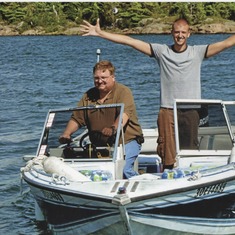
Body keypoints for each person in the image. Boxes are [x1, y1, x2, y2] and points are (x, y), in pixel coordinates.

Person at [80, 18, 235, 170]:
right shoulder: (162, 52)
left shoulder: (198, 52)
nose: (179, 35)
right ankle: (167, 174)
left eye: (183, 32)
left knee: (189, 151)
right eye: (176, 32)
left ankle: (188, 177)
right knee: (167, 152)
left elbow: (226, 43)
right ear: (171, 33)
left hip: (191, 110)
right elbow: (130, 41)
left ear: (189, 34)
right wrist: (101, 33)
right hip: (167, 110)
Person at [59, 60, 144, 179]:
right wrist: (67, 133)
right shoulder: (88, 95)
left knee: (124, 170)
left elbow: (124, 115)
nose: (100, 81)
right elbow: (77, 118)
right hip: (99, 144)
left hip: (125, 142)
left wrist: (113, 128)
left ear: (113, 77)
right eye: (96, 78)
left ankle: (140, 183)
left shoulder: (123, 92)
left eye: (104, 77)